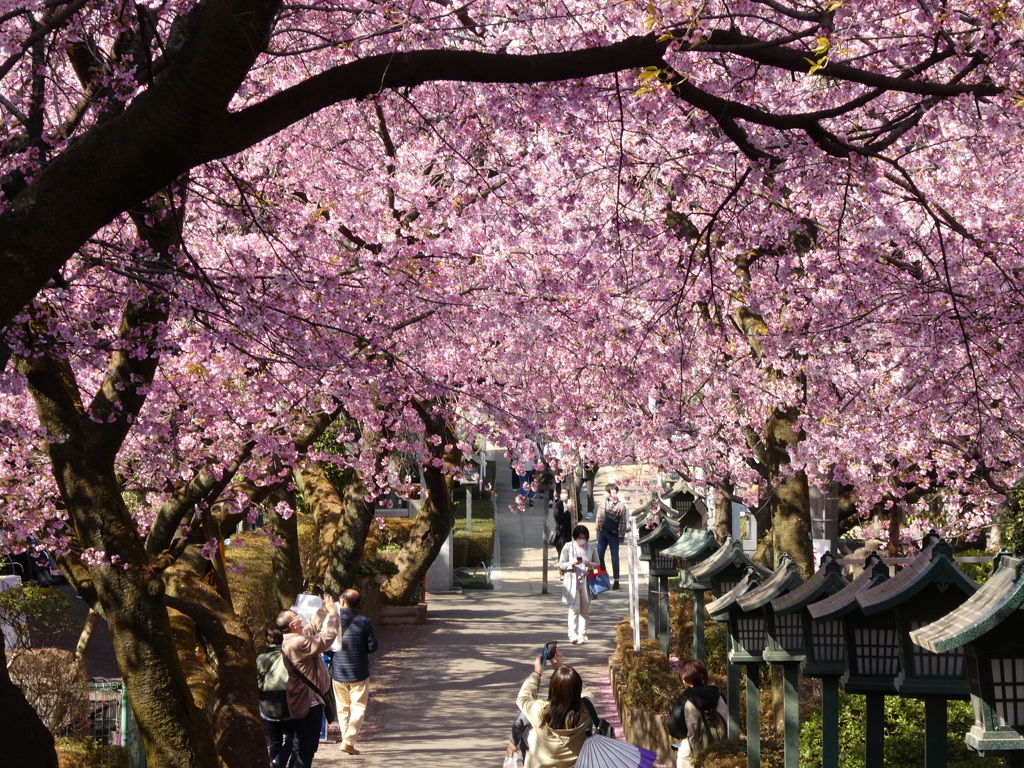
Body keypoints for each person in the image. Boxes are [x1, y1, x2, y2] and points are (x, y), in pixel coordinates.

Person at [278, 594, 340, 768]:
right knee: (306, 749)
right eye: (297, 618)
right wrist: (333, 613)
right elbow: (325, 638)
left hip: (303, 702)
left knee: (299, 746)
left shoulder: (292, 640)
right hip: (308, 704)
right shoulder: (297, 643)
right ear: (292, 625)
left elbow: (312, 628)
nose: (301, 619)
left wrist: (322, 610)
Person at [506, 651, 603, 761]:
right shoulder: (587, 708)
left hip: (542, 763)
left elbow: (523, 698)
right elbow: (585, 692)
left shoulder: (540, 710)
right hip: (578, 763)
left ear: (553, 688)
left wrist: (537, 673)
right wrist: (560, 668)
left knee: (527, 729)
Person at [329, 588, 379, 755]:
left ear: (342, 601)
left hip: (338, 671)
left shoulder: (332, 620)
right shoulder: (364, 621)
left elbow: (326, 646)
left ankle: (346, 740)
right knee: (358, 707)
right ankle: (348, 741)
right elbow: (372, 646)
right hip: (359, 672)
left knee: (342, 708)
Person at [668, 658, 729, 768]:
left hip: (691, 751)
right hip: (720, 749)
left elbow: (673, 727)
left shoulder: (685, 698)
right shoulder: (719, 694)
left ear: (686, 679)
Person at [257, 625, 295, 768]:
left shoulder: (261, 658)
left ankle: (275, 762)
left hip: (267, 703)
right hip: (287, 702)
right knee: (293, 737)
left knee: (274, 741)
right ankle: (278, 761)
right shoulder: (290, 656)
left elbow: (258, 681)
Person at [558, 525, 599, 644]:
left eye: (584, 538)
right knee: (574, 609)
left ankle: (583, 634)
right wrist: (572, 563)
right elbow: (561, 564)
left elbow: (597, 563)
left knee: (584, 611)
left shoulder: (591, 547)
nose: (582, 540)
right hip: (572, 582)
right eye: (579, 538)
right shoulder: (568, 547)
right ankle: (572, 635)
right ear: (575, 537)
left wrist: (590, 564)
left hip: (586, 583)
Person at [595, 483, 627, 590]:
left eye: (609, 491)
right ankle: (603, 576)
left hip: (613, 534)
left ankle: (616, 580)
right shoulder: (603, 502)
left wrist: (621, 535)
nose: (607, 493)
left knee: (615, 558)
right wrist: (597, 529)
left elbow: (622, 522)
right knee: (599, 555)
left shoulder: (620, 506)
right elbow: (599, 516)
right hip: (603, 532)